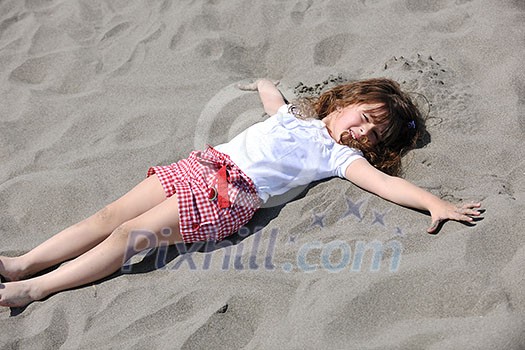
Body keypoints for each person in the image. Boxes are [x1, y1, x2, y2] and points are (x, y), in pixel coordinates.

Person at [0, 78, 481, 308]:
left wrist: (433, 202)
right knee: (109, 215)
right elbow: (275, 103)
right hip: (199, 165)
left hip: (228, 193)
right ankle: (23, 263)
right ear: (348, 101)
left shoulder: (338, 158)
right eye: (366, 118)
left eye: (375, 136)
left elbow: (386, 182)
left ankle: (34, 288)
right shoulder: (295, 117)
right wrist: (263, 83)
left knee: (130, 235)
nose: (363, 134)